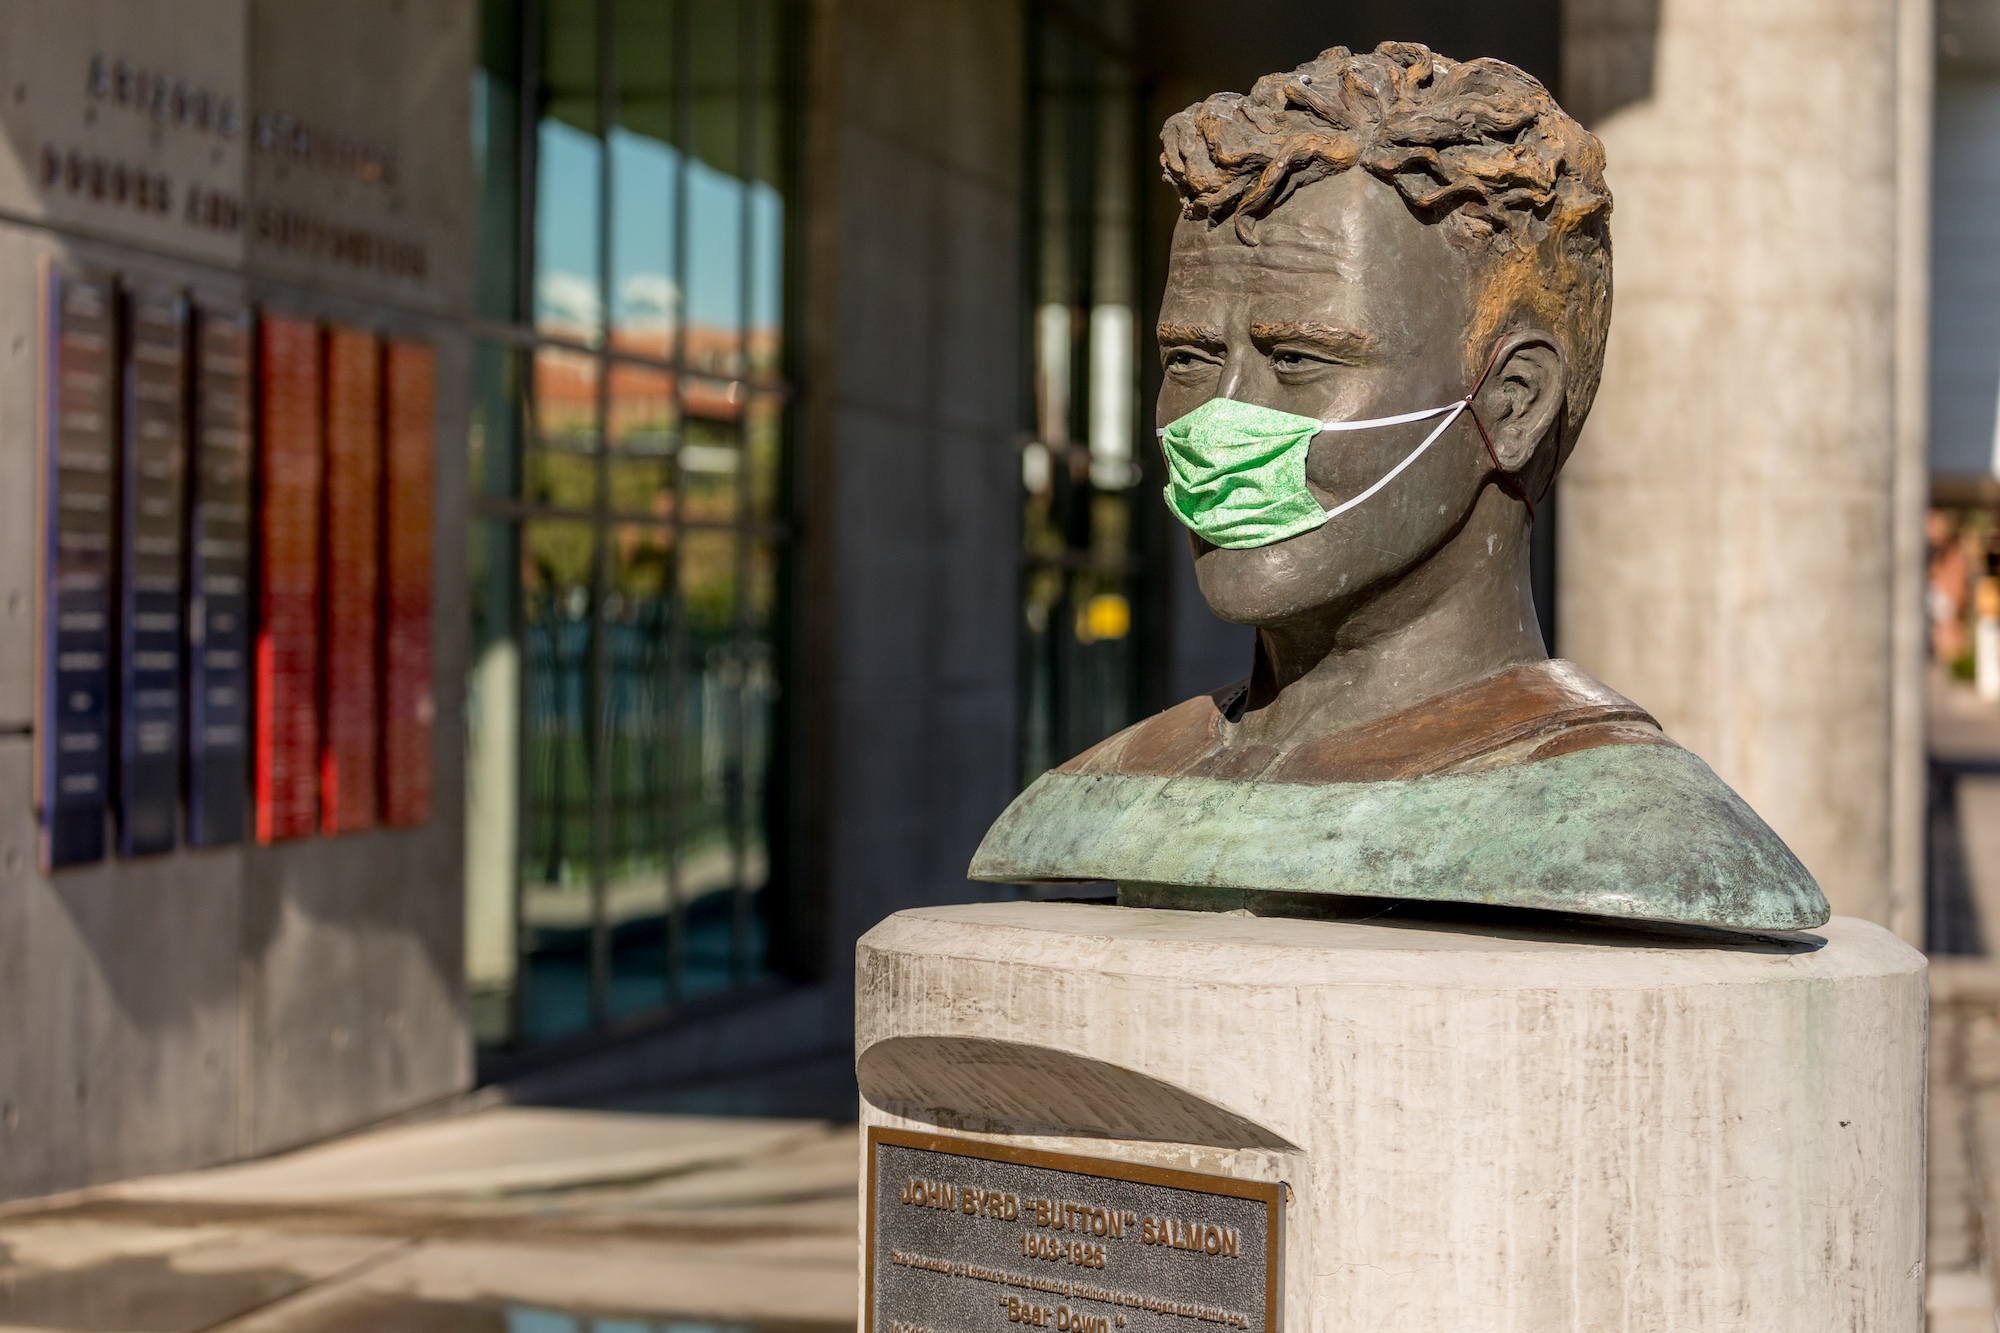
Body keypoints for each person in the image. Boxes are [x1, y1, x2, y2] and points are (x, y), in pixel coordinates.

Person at [970, 42, 1826, 932]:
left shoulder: (1645, 836)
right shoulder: (1100, 795)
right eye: (1188, 358)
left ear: (1513, 403)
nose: (1212, 425)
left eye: (1298, 360)